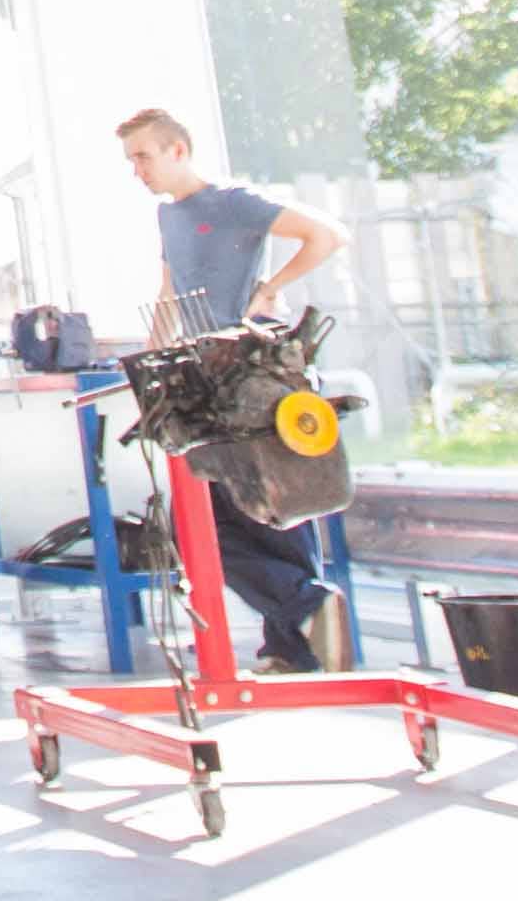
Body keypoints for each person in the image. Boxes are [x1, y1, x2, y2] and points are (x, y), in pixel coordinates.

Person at [118, 106, 349, 676]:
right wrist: (150, 367)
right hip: (209, 377)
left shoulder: (230, 202)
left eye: (143, 157)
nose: (137, 170)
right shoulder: (169, 217)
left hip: (260, 372)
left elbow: (326, 235)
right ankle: (302, 619)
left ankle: (296, 640)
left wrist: (269, 289)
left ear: (178, 150)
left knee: (278, 509)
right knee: (218, 518)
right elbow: (170, 292)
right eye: (131, 161)